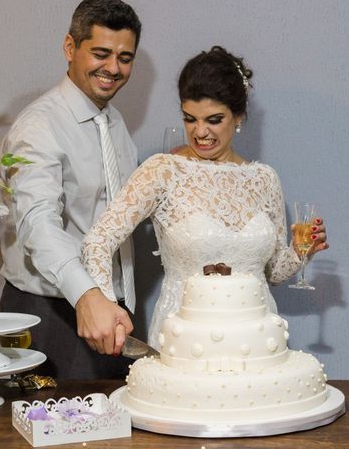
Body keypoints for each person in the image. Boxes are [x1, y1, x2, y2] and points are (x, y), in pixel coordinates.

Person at [81, 45, 329, 349]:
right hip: (185, 342)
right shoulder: (164, 170)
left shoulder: (264, 179)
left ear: (238, 116)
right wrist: (104, 304)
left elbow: (273, 273)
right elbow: (98, 240)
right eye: (189, 119)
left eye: (213, 120)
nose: (200, 132)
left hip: (257, 342)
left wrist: (302, 251)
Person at [0, 0, 142, 379]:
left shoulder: (114, 123)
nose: (113, 68)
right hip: (50, 312)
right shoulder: (38, 126)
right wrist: (87, 294)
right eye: (100, 53)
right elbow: (38, 223)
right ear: (69, 47)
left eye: (125, 58)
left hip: (112, 309)